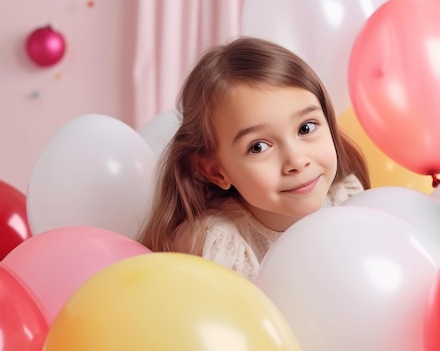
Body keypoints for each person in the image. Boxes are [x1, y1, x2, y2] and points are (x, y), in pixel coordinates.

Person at [138, 36, 370, 282]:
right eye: (258, 147)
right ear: (216, 172)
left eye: (306, 128)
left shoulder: (347, 199)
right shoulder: (218, 246)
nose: (297, 161)